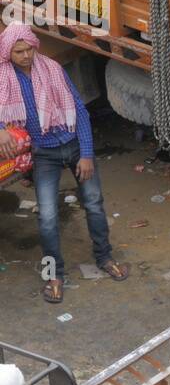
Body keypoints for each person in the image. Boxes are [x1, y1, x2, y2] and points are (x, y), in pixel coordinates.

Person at [0, 24, 129, 304]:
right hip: (43, 153)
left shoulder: (53, 69)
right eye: (18, 51)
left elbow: (80, 111)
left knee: (94, 203)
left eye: (29, 49)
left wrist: (85, 154)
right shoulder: (3, 79)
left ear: (35, 46)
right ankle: (54, 274)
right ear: (8, 53)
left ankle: (105, 257)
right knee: (46, 216)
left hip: (73, 145)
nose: (25, 56)